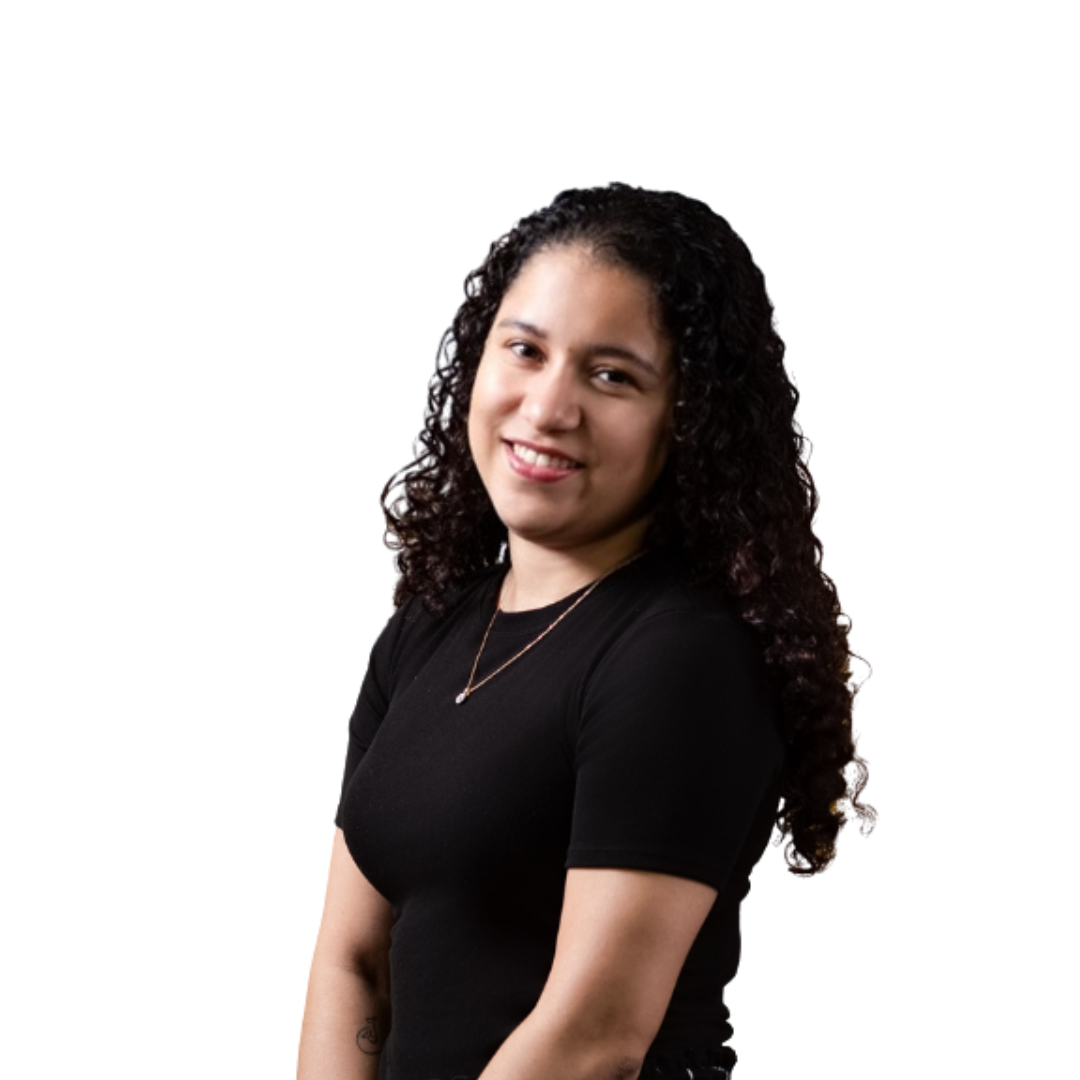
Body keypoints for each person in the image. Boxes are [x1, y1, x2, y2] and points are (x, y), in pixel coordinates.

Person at [295, 183, 876, 1080]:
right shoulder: (425, 632)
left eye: (612, 376)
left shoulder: (682, 656)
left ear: (688, 422)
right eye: (525, 350)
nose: (547, 408)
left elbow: (595, 1037)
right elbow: (352, 959)